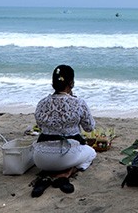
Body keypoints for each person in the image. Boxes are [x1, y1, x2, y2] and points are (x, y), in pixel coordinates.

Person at [31, 64, 97, 197]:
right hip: (67, 156)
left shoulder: (41, 103)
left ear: (53, 84)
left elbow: (41, 126)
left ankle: (46, 175)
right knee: (91, 153)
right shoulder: (78, 103)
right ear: (71, 83)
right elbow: (89, 127)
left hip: (40, 158)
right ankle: (65, 174)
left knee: (47, 153)